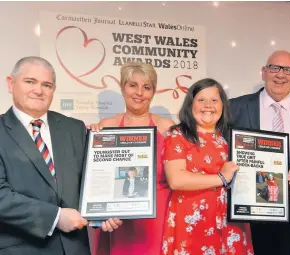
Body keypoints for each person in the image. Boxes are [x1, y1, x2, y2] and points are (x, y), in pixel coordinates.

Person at [0, 56, 120, 255]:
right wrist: (55, 217)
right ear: (11, 84)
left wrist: (103, 213)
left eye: (47, 85)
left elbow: (90, 183)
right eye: (30, 81)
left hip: (75, 248)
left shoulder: (74, 128)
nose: (38, 90)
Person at [229, 50, 290, 255]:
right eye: (274, 68)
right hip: (249, 209)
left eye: (288, 69)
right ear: (264, 72)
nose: (280, 75)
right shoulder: (236, 107)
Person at [161, 78, 253, 254]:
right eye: (201, 100)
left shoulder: (232, 138)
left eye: (214, 100)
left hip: (230, 222)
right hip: (192, 223)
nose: (208, 105)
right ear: (191, 104)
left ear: (223, 105)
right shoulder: (178, 135)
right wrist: (221, 178)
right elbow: (176, 180)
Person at [91, 61, 174, 255]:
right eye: (133, 85)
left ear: (153, 92)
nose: (139, 93)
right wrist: (92, 139)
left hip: (158, 216)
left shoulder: (167, 126)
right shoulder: (106, 125)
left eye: (146, 87)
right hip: (116, 218)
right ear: (123, 88)